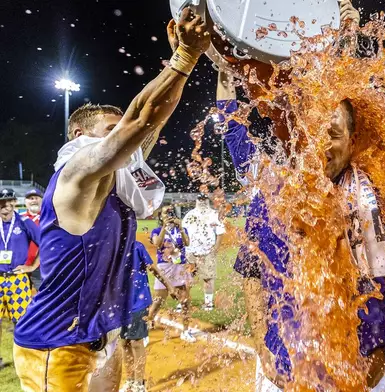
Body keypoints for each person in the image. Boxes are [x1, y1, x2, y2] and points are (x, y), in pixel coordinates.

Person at [215, 50, 385, 392]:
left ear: (352, 141)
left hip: (367, 375)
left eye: (333, 133)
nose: (319, 143)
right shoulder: (273, 197)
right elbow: (253, 275)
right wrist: (263, 345)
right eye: (311, 131)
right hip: (284, 374)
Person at [13, 8, 211, 392]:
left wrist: (184, 63)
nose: (121, 136)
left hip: (104, 333)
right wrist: (183, 59)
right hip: (57, 346)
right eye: (110, 129)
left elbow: (148, 126)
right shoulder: (74, 173)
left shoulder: (113, 183)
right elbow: (139, 121)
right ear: (78, 133)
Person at [89, 242, 178, 392]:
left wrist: (169, 286)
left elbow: (153, 268)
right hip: (118, 305)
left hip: (137, 302)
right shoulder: (109, 248)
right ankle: (130, 380)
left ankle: (139, 383)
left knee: (136, 343)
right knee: (124, 344)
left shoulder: (137, 247)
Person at [0, 188, 40, 369]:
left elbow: (45, 243)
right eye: (1, 203)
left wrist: (32, 266)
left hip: (18, 279)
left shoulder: (24, 222)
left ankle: (24, 360)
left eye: (8, 203)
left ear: (14, 203)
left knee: (22, 322)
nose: (4, 207)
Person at [147, 205, 195, 343]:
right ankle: (146, 329)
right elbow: (157, 244)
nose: (169, 215)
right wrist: (164, 227)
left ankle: (186, 331)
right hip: (165, 268)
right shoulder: (156, 230)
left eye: (170, 213)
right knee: (158, 302)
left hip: (180, 267)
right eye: (165, 214)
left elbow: (187, 243)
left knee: (185, 302)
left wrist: (180, 227)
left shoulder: (182, 229)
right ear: (160, 217)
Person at [181, 193, 226, 311]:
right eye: (200, 199)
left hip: (207, 251)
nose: (202, 201)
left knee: (208, 278)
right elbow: (183, 233)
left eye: (204, 199)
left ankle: (208, 303)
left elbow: (220, 232)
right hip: (190, 251)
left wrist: (215, 248)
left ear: (208, 201)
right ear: (196, 201)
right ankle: (184, 301)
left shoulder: (214, 214)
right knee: (187, 278)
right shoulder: (189, 215)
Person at [20, 189, 43, 292]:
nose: (34, 200)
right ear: (25, 202)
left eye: (36, 198)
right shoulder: (18, 219)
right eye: (30, 198)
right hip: (23, 266)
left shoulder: (50, 219)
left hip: (43, 267)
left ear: (42, 200)